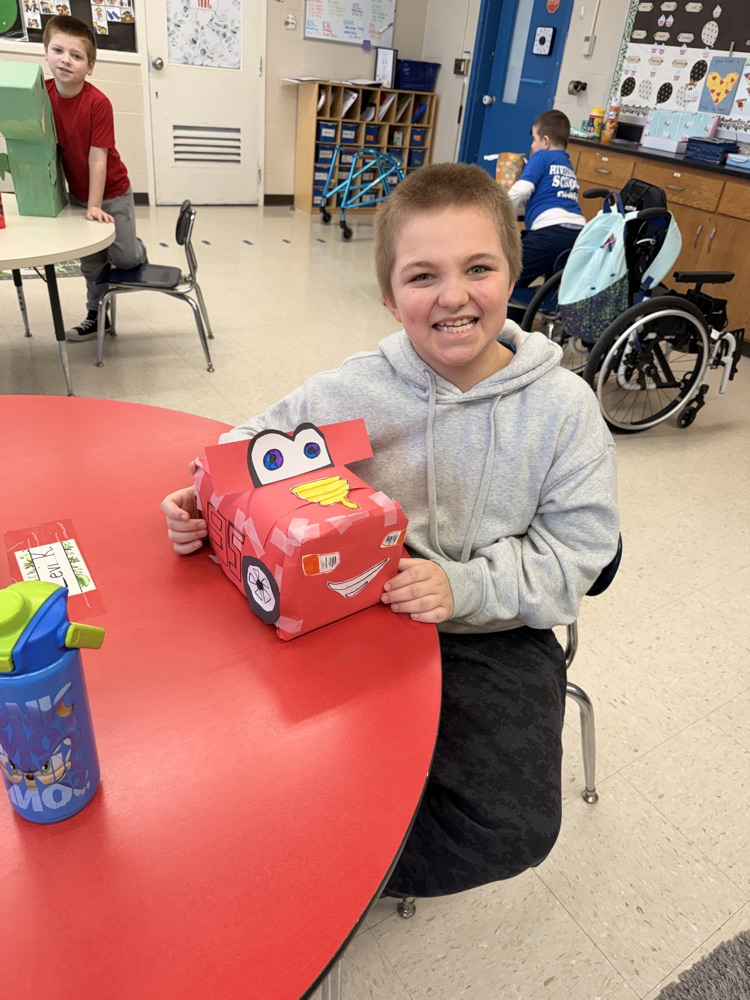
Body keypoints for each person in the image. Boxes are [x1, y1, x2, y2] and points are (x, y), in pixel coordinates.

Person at [161, 162, 619, 899]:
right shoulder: (358, 388)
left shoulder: (563, 410)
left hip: (491, 629)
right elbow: (254, 444)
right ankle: (313, 836)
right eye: (422, 276)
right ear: (387, 294)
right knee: (238, 757)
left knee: (512, 828)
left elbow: (581, 556)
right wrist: (202, 497)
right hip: (354, 616)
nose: (454, 296)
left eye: (478, 268)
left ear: (515, 271)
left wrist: (463, 586)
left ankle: (342, 880)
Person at [43, 14, 147, 342]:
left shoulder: (98, 103)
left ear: (90, 66)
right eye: (58, 50)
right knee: (91, 262)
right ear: (45, 52)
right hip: (79, 192)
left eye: (76, 56)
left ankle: (137, 248)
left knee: (124, 258)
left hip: (112, 190)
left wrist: (95, 205)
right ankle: (97, 316)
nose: (65, 60)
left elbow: (97, 158)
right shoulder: (41, 94)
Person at [506, 109, 585, 320]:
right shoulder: (566, 164)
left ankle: (508, 333)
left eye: (534, 139)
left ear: (546, 141)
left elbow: (521, 190)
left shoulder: (541, 156)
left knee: (508, 277)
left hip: (548, 235)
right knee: (551, 288)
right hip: (577, 235)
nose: (532, 145)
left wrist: (497, 208)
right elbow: (550, 199)